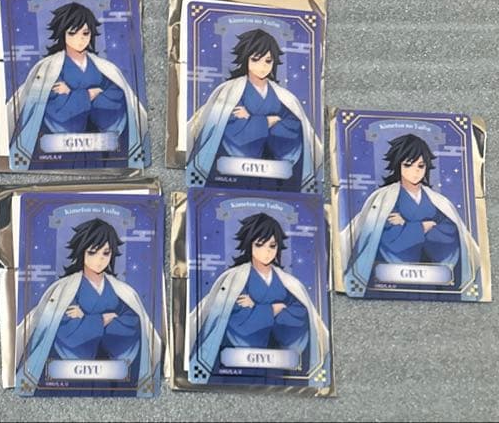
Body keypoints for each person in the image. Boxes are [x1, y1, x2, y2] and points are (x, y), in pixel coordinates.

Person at [14, 218, 160, 396]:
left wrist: (87, 320)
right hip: (69, 371)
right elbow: (64, 328)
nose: (100, 260)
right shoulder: (66, 289)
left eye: (105, 253)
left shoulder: (121, 290)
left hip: (112, 372)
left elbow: (133, 322)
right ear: (82, 252)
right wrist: (104, 319)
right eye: (92, 252)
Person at [188, 213, 328, 386]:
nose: (267, 251)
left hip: (280, 362)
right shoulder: (235, 279)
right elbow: (235, 318)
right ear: (250, 245)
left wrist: (258, 308)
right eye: (259, 245)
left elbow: (300, 314)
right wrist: (274, 309)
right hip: (236, 360)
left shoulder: (288, 282)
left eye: (272, 245)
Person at [340, 133, 481, 298]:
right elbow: (389, 238)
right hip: (389, 276)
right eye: (408, 165)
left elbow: (450, 232)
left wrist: (409, 226)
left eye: (420, 166)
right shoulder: (385, 198)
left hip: (433, 276)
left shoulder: (437, 200)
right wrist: (424, 226)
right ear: (398, 165)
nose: (415, 172)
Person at [9, 2, 147, 170]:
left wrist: (73, 94)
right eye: (72, 33)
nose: (80, 39)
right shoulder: (50, 68)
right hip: (58, 147)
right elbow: (55, 107)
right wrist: (90, 94)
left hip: (97, 146)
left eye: (85, 33)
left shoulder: (103, 67)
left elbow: (116, 96)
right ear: (63, 34)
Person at [187, 29, 320, 189]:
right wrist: (269, 121)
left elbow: (295, 126)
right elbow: (231, 128)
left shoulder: (283, 96)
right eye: (256, 60)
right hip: (231, 169)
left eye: (268, 61)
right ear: (246, 59)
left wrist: (253, 120)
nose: (262, 66)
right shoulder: (231, 91)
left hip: (274, 172)